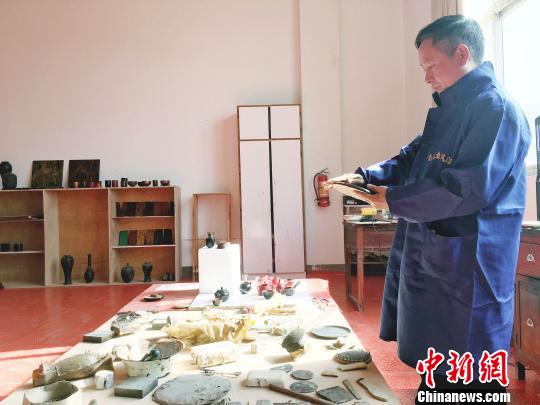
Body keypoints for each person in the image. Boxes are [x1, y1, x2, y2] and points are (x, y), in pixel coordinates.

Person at [327, 15, 530, 402]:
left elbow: (466, 189)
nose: (426, 77)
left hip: (472, 262)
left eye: (431, 66)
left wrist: (392, 199)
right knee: (439, 361)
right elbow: (410, 159)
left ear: (462, 54)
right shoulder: (451, 110)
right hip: (439, 254)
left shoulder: (495, 110)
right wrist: (364, 177)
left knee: (469, 364)